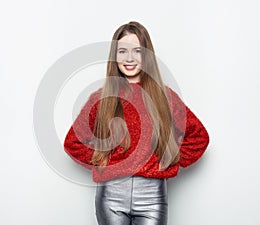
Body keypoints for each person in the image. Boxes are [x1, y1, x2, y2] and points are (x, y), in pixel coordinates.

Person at [63, 21, 209, 225]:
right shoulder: (101, 98)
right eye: (122, 51)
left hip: (153, 196)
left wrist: (171, 158)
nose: (129, 58)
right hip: (111, 196)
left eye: (137, 51)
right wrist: (103, 160)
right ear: (114, 56)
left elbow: (199, 137)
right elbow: (73, 142)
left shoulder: (165, 97)